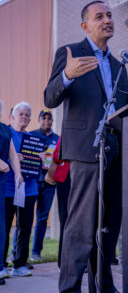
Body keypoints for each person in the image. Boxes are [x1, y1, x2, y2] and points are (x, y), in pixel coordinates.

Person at [44, 0, 128, 293]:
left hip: (114, 154)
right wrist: (67, 76)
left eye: (110, 15)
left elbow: (120, 112)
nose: (108, 20)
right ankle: (70, 288)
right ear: (85, 26)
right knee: (79, 227)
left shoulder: (118, 65)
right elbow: (49, 99)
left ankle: (102, 285)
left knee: (108, 224)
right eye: (99, 16)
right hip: (84, 151)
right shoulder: (70, 53)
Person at [4, 102, 38, 277]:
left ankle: (19, 265)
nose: (24, 117)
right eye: (21, 114)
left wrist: (38, 159)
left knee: (25, 227)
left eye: (27, 115)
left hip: (29, 189)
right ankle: (2, 265)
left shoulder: (33, 139)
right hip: (8, 188)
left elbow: (40, 164)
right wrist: (12, 158)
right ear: (12, 117)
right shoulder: (5, 134)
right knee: (5, 226)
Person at [30, 110, 59, 261]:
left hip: (49, 182)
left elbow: (62, 160)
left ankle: (36, 252)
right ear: (39, 119)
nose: (47, 121)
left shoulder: (57, 139)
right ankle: (17, 252)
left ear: (52, 121)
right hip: (32, 180)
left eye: (49, 118)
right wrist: (37, 156)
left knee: (42, 218)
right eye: (44, 118)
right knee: (25, 218)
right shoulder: (31, 135)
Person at [0, 100, 23, 285]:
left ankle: (0, 267)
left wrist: (18, 173)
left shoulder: (5, 130)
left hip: (2, 182)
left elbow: (12, 154)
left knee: (0, 225)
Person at [45, 137, 71, 268]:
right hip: (65, 181)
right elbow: (56, 155)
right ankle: (63, 262)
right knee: (65, 221)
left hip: (83, 179)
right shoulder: (66, 132)